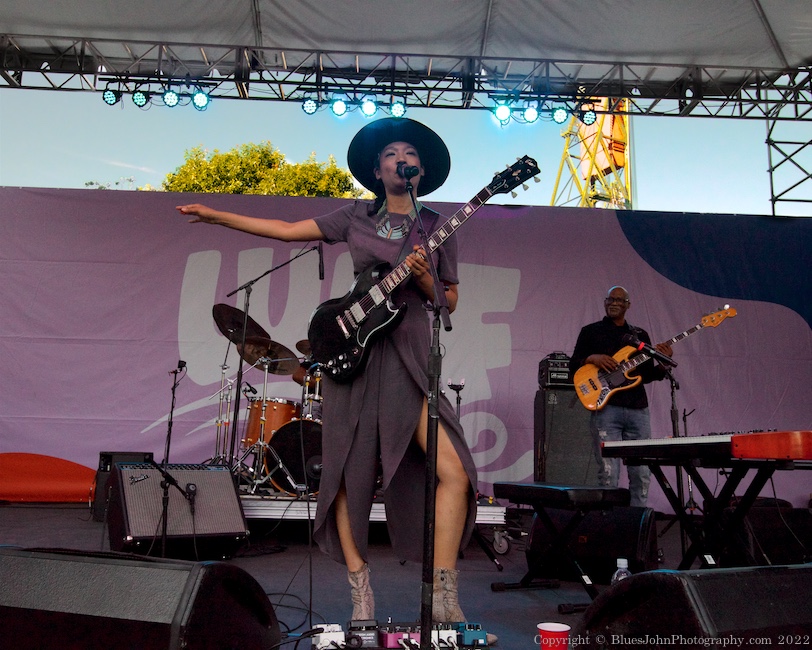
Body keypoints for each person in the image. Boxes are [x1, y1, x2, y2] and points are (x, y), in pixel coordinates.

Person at [176, 118, 478, 625]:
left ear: (421, 169)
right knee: (344, 476)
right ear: (378, 170)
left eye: (410, 153)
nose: (401, 158)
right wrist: (216, 216)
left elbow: (449, 299)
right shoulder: (355, 217)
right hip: (355, 357)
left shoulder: (437, 228)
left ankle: (444, 595)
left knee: (454, 471)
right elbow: (289, 231)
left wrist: (427, 281)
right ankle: (361, 593)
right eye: (391, 153)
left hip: (408, 356)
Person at [569, 286, 673, 507]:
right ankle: (609, 521)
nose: (613, 303)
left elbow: (646, 375)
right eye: (610, 299)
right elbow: (573, 367)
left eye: (619, 300)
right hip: (607, 408)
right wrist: (592, 358)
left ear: (628, 305)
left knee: (642, 471)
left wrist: (663, 365)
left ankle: (636, 522)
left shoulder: (639, 335)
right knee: (608, 472)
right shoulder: (591, 332)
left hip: (638, 409)